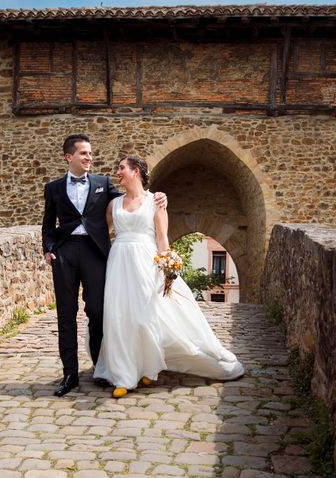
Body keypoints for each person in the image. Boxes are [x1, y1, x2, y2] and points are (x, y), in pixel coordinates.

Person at [93, 155, 245, 398]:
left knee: (146, 316)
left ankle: (147, 367)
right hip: (119, 262)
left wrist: (169, 267)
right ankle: (124, 374)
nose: (117, 171)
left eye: (122, 167)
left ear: (136, 172)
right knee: (119, 316)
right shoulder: (114, 204)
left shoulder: (156, 202)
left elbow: (162, 237)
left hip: (145, 262)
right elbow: (102, 233)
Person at [42, 134, 166, 397]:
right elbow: (47, 224)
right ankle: (69, 375)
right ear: (69, 157)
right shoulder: (53, 188)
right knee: (66, 315)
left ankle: (102, 368)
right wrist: (48, 249)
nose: (90, 157)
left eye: (90, 153)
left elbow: (134, 196)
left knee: (98, 311)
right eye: (84, 153)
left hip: (95, 253)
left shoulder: (102, 184)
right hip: (64, 254)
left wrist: (159, 197)